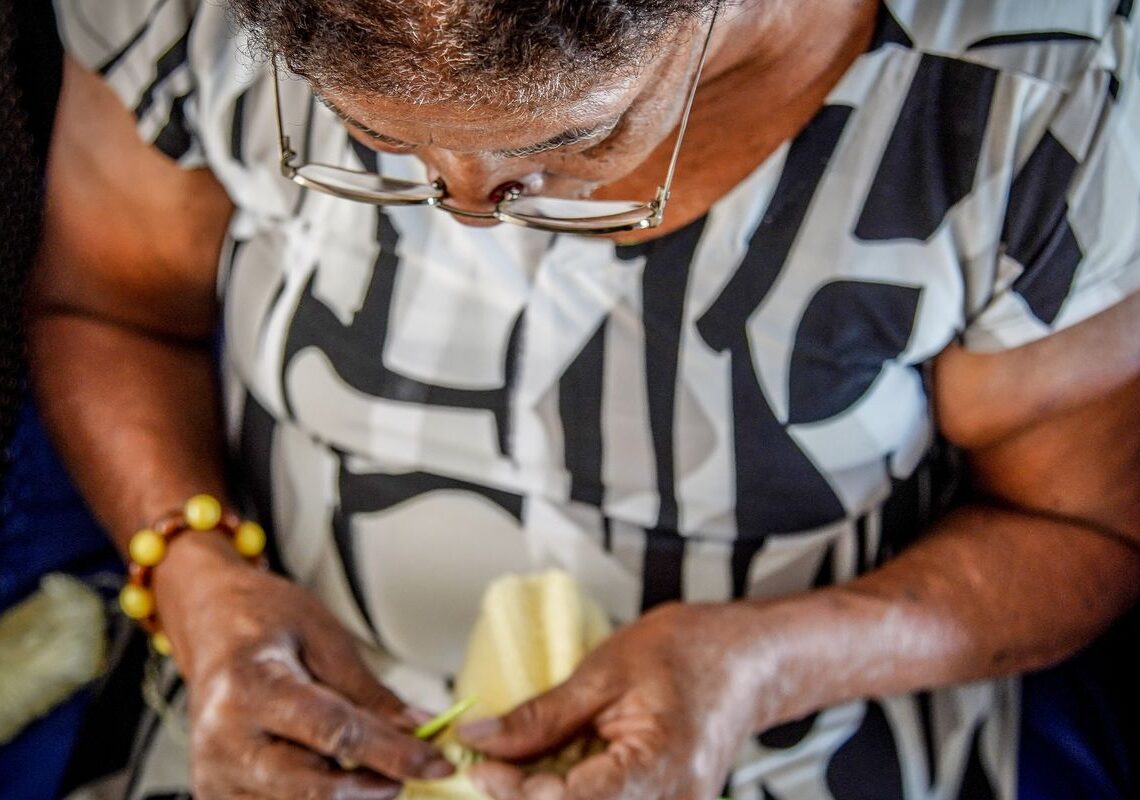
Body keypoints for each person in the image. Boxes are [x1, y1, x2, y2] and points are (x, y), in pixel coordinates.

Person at [29, 0, 1140, 798]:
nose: (466, 211)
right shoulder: (188, 15)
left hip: (790, 739)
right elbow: (111, 312)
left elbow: (1079, 525)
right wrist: (191, 568)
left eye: (570, 139)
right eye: (377, 140)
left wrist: (764, 662)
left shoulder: (1024, 101)